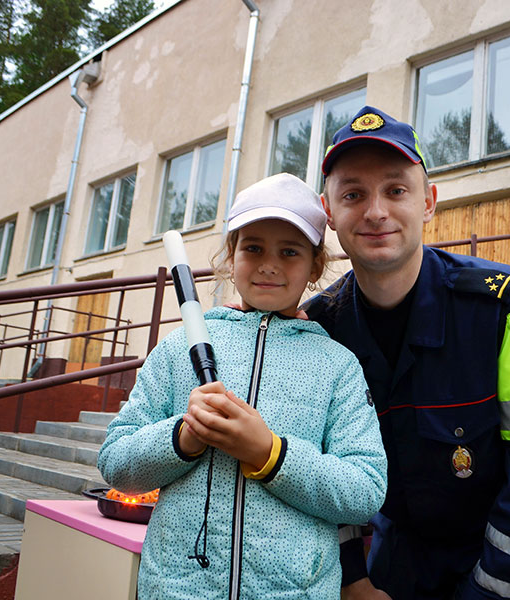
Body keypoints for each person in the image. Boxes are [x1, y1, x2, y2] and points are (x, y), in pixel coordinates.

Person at [304, 106, 510, 600]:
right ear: (328, 211)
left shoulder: (505, 305)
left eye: (396, 190)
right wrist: (353, 581)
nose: (375, 212)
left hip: (501, 572)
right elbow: (315, 471)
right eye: (353, 194)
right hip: (391, 572)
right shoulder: (317, 329)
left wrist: (486, 591)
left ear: (429, 202)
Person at [98, 172, 388, 600]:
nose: (269, 264)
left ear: (314, 266)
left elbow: (364, 491)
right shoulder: (179, 348)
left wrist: (270, 454)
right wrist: (181, 438)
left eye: (289, 251)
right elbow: (116, 462)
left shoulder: (337, 366)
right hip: (177, 590)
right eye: (253, 247)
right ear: (230, 255)